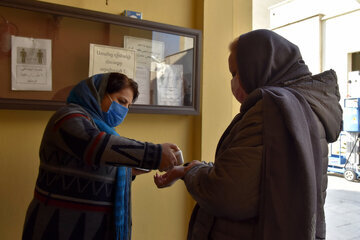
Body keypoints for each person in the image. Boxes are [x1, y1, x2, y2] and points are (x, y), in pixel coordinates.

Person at [154, 29, 343, 240]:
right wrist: (195, 168)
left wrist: (190, 172)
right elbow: (253, 175)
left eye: (236, 73)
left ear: (258, 65)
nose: (233, 83)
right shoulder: (306, 107)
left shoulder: (271, 111)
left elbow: (227, 193)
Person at [22, 72, 179, 240]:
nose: (124, 110)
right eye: (121, 101)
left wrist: (128, 171)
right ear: (99, 92)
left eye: (128, 106)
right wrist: (154, 153)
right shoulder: (67, 117)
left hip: (92, 228)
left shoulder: (98, 127)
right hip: (57, 226)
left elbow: (91, 163)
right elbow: (94, 146)